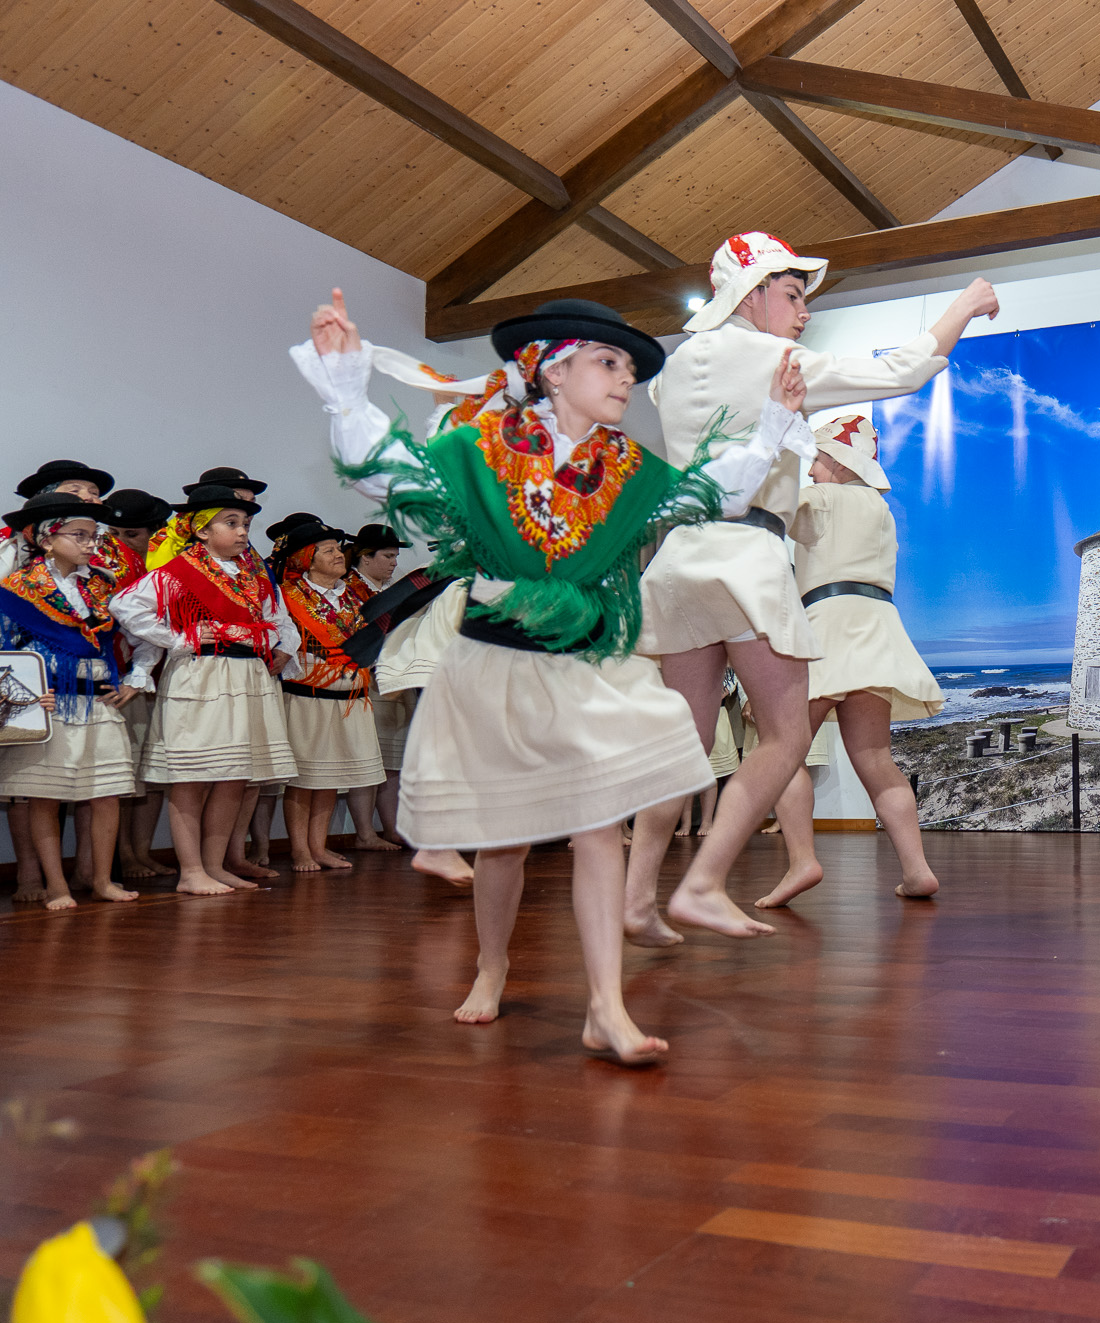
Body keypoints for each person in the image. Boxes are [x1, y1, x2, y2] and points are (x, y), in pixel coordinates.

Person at [294, 289, 814, 1064]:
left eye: (630, 367)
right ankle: (491, 964)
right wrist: (343, 383)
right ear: (552, 369)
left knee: (597, 825)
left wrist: (771, 422)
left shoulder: (625, 468)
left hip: (582, 667)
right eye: (608, 362)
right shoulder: (481, 448)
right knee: (503, 841)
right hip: (493, 666)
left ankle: (606, 1005)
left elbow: (711, 494)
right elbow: (389, 473)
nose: (626, 377)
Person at [627, 232, 998, 939]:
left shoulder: (672, 373)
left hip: (678, 560)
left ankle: (637, 896)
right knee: (786, 734)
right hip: (745, 557)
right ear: (753, 292)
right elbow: (900, 371)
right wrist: (963, 306)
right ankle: (703, 881)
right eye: (793, 295)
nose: (803, 313)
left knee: (683, 743)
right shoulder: (772, 360)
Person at [755, 413, 945, 906]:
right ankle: (917, 870)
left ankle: (802, 860)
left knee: (782, 752)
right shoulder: (882, 510)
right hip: (878, 627)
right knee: (876, 759)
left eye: (817, 459)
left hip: (827, 624)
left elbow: (767, 506)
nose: (811, 469)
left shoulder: (821, 498)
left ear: (839, 462)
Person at [112, 485, 300, 896]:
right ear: (201, 530)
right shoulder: (178, 572)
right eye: (231, 523)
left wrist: (276, 643)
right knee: (191, 777)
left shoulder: (252, 575)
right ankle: (191, 870)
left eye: (245, 523)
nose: (242, 531)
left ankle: (215, 866)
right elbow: (125, 606)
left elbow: (278, 618)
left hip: (247, 676)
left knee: (234, 776)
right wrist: (178, 639)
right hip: (202, 676)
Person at [0, 494, 143, 909]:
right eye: (79, 535)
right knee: (45, 796)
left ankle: (101, 880)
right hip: (48, 706)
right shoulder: (16, 589)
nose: (91, 543)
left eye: (93, 535)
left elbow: (141, 632)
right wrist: (25, 693)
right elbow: (6, 650)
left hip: (98, 702)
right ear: (47, 539)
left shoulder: (101, 585)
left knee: (107, 793)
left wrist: (136, 678)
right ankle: (57, 886)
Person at [270, 518, 385, 873]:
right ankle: (300, 850)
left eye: (338, 549)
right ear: (307, 558)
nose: (338, 555)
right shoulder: (288, 596)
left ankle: (318, 847)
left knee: (329, 778)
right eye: (328, 550)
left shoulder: (352, 595)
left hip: (348, 696)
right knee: (304, 779)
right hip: (308, 696)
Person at [96, 489, 176, 879]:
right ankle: (124, 855)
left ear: (153, 534)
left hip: (156, 678)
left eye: (131, 534)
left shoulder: (165, 569)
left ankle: (140, 852)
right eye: (112, 532)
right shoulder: (103, 567)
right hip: (119, 677)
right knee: (124, 772)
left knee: (149, 773)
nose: (120, 542)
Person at [341, 522, 409, 851]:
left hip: (395, 681)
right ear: (365, 557)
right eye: (387, 556)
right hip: (366, 682)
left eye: (396, 556)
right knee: (368, 759)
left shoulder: (391, 591)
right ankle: (365, 832)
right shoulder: (349, 591)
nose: (394, 563)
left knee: (391, 759)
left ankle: (391, 828)